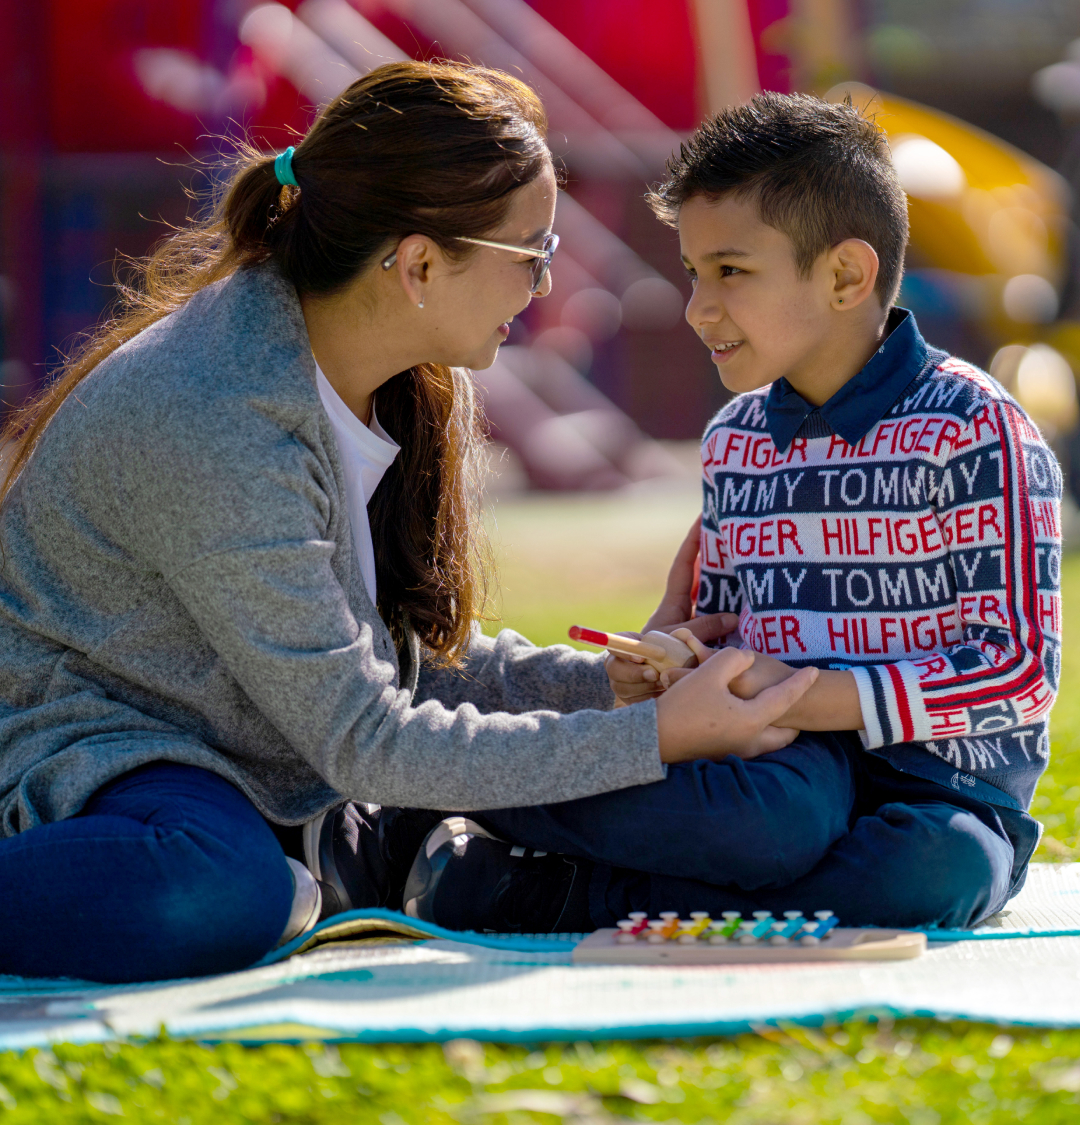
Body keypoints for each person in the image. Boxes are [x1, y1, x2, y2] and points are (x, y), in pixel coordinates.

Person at [0, 64, 817, 984]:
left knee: (759, 812)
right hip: (118, 756)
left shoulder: (396, 378)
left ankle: (328, 865)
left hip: (270, 759)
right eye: (531, 254)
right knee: (212, 888)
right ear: (421, 264)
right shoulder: (215, 414)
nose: (544, 287)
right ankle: (304, 872)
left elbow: (408, 660)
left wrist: (617, 686)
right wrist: (657, 735)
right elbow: (368, 737)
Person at [402, 93, 1059, 935]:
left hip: (941, 791)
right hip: (777, 774)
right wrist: (679, 655)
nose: (697, 308)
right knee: (770, 825)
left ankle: (549, 892)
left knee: (930, 873)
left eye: (731, 272)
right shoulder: (738, 439)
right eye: (694, 272)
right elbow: (725, 632)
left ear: (846, 277)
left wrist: (810, 693)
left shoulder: (977, 430)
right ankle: (425, 795)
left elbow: (1018, 670)